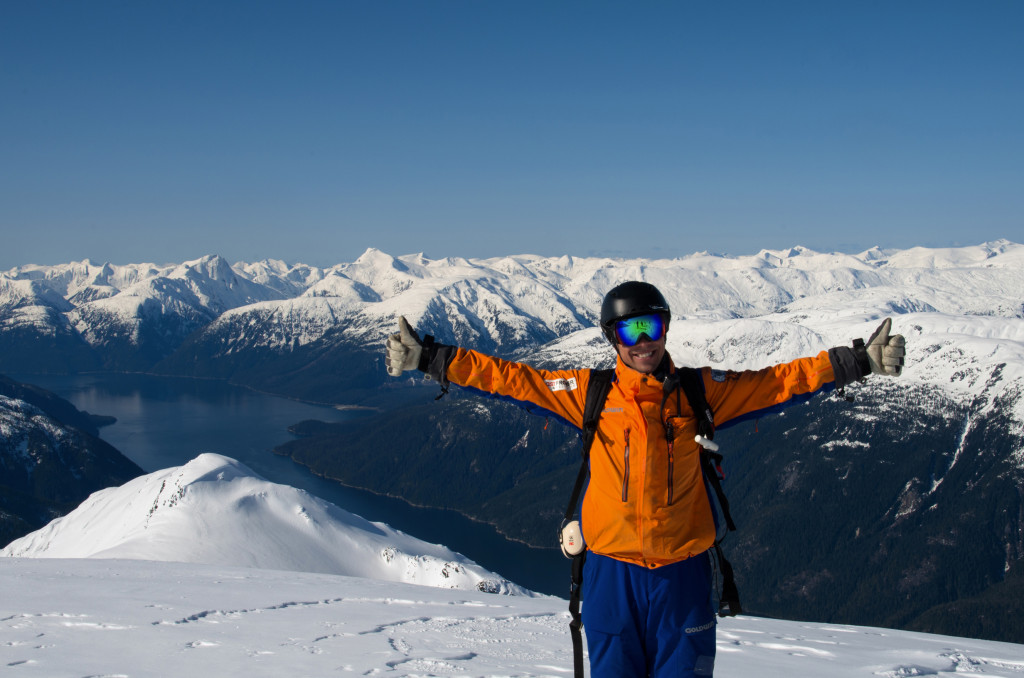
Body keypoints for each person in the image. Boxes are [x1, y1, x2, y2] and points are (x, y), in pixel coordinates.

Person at [384, 281, 906, 678]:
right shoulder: (590, 393)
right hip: (611, 575)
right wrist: (432, 358)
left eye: (652, 327)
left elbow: (777, 384)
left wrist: (855, 361)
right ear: (613, 338)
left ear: (665, 330)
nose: (644, 343)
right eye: (631, 331)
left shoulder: (702, 394)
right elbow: (513, 380)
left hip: (683, 577)